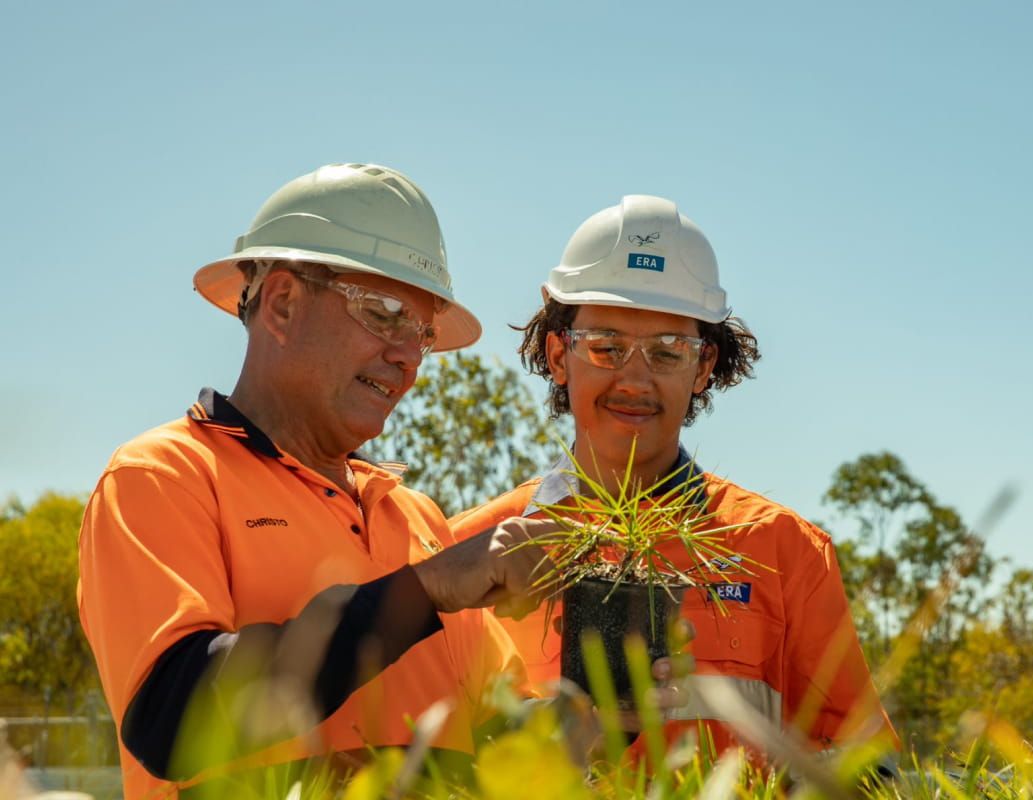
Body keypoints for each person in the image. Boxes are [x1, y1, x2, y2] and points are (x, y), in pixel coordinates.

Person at [77, 164, 633, 799]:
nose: (408, 356)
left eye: (421, 333)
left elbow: (490, 738)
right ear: (282, 304)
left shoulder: (416, 518)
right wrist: (423, 591)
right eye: (385, 313)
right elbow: (173, 722)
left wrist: (597, 712)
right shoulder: (164, 477)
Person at [446, 195, 896, 757]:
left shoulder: (782, 550)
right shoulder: (470, 548)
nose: (635, 380)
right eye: (606, 347)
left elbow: (865, 771)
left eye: (667, 351)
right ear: (560, 356)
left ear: (704, 366)